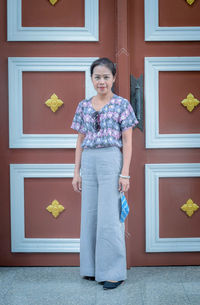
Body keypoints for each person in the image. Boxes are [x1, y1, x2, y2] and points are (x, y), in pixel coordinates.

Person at [71, 58, 138, 290]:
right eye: (97, 77)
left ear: (114, 78)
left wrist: (125, 174)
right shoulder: (83, 106)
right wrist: (76, 172)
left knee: (110, 216)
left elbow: (127, 141)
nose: (101, 81)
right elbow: (79, 140)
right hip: (89, 160)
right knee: (89, 214)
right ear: (92, 79)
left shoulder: (122, 105)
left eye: (106, 77)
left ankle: (112, 272)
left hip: (111, 160)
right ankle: (91, 268)